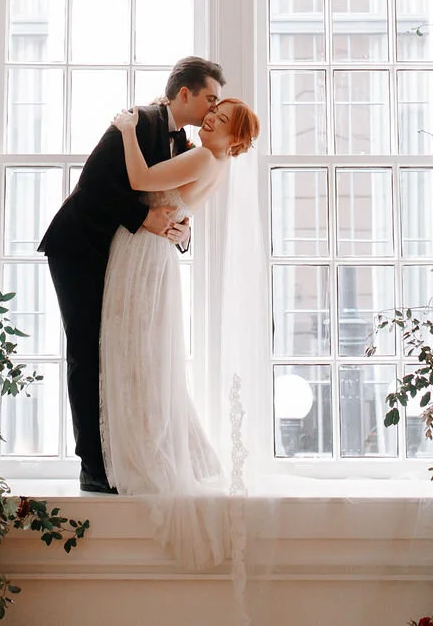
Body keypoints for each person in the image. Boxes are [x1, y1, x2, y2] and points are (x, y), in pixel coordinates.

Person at [38, 56, 223, 494]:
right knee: (87, 352)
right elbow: (94, 186)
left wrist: (181, 231)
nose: (214, 109)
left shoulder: (185, 143)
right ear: (185, 93)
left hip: (123, 256)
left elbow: (171, 201)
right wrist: (144, 220)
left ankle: (124, 455)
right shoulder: (139, 121)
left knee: (121, 352)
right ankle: (93, 468)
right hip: (80, 247)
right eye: (210, 98)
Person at [100, 95, 259, 569]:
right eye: (213, 111)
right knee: (144, 353)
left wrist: (127, 130)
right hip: (157, 253)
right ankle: (158, 445)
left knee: (135, 352)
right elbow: (183, 210)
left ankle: (147, 452)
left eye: (221, 119)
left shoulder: (205, 157)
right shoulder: (215, 164)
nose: (210, 119)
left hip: (143, 253)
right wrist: (182, 226)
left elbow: (140, 180)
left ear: (234, 138)